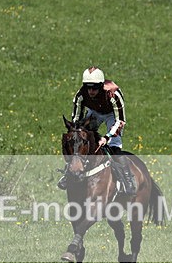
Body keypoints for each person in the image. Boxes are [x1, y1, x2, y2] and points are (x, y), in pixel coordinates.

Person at [58, 66, 136, 196]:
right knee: (79, 142)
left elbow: (120, 121)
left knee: (115, 146)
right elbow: (76, 119)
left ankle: (128, 180)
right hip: (94, 113)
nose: (91, 91)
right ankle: (68, 173)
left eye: (94, 88)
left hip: (112, 115)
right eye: (88, 87)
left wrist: (107, 137)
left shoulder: (113, 94)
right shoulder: (80, 95)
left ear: (100, 86)